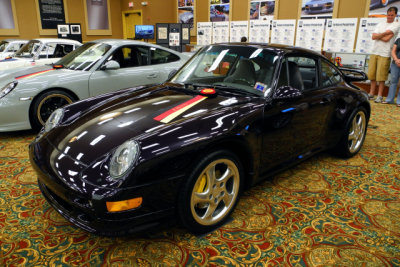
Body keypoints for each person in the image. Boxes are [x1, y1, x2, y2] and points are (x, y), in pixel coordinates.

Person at [367, 6, 400, 103]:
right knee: (372, 75)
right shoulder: (380, 24)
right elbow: (373, 36)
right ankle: (371, 93)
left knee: (381, 77)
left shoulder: (396, 25)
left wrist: (378, 35)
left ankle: (380, 95)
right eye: (388, 15)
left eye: (392, 15)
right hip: (374, 52)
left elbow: (387, 39)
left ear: (395, 15)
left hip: (385, 54)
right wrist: (382, 34)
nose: (389, 17)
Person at [383, 37, 400, 106]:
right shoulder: (398, 40)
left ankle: (399, 102)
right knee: (393, 82)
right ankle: (389, 100)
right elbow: (393, 51)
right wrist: (396, 60)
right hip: (395, 63)